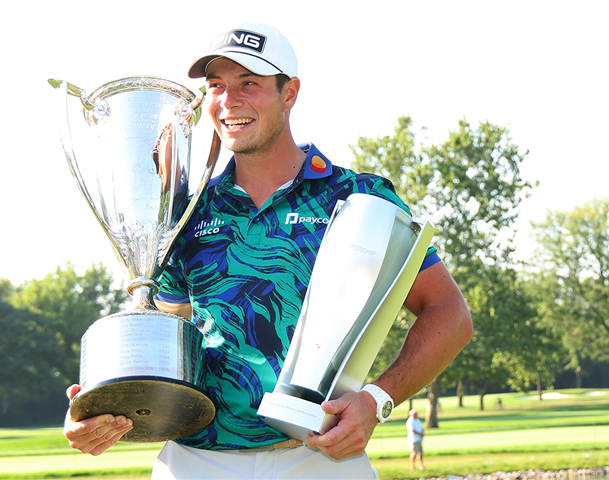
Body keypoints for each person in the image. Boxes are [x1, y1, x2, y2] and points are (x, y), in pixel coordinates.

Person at [63, 22, 473, 479]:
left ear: (290, 92)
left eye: (249, 84)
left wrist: (376, 400)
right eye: (216, 85)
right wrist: (102, 401)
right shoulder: (186, 212)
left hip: (321, 457)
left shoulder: (359, 199)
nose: (229, 100)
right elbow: (169, 344)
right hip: (196, 461)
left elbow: (449, 313)